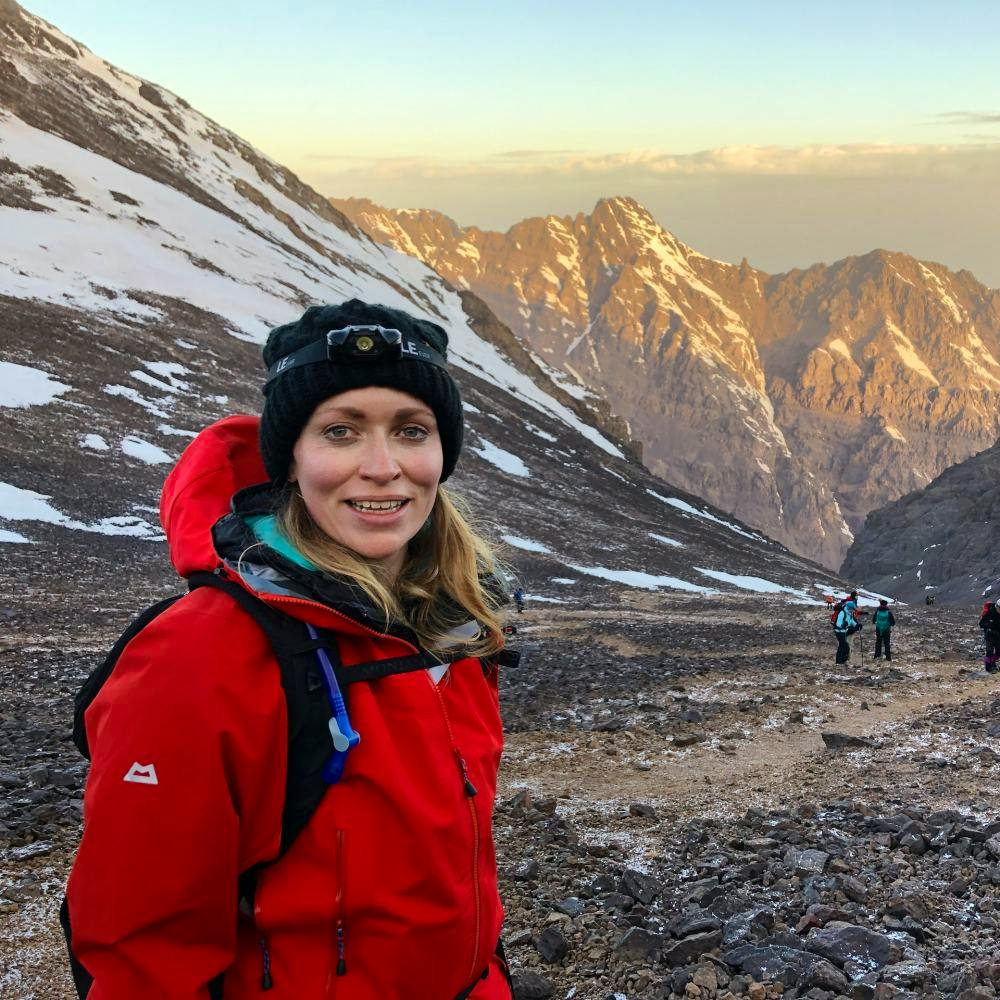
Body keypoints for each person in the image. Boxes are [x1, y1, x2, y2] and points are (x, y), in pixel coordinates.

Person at [66, 301, 514, 998]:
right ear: (292, 458)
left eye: (411, 430)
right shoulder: (201, 654)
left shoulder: (454, 627)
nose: (382, 466)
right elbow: (144, 957)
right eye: (340, 431)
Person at [834, 597, 862, 664]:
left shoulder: (849, 613)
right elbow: (838, 623)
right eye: (852, 609)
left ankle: (839, 661)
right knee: (845, 646)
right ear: (849, 608)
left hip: (843, 631)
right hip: (839, 632)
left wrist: (857, 625)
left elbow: (851, 621)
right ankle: (841, 661)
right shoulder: (842, 612)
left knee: (842, 646)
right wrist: (844, 624)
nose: (853, 610)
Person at [980, 599, 1000, 673]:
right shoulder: (990, 612)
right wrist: (990, 625)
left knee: (998, 652)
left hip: (998, 635)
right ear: (997, 607)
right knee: (989, 652)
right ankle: (988, 667)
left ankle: (993, 663)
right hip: (990, 635)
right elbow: (981, 624)